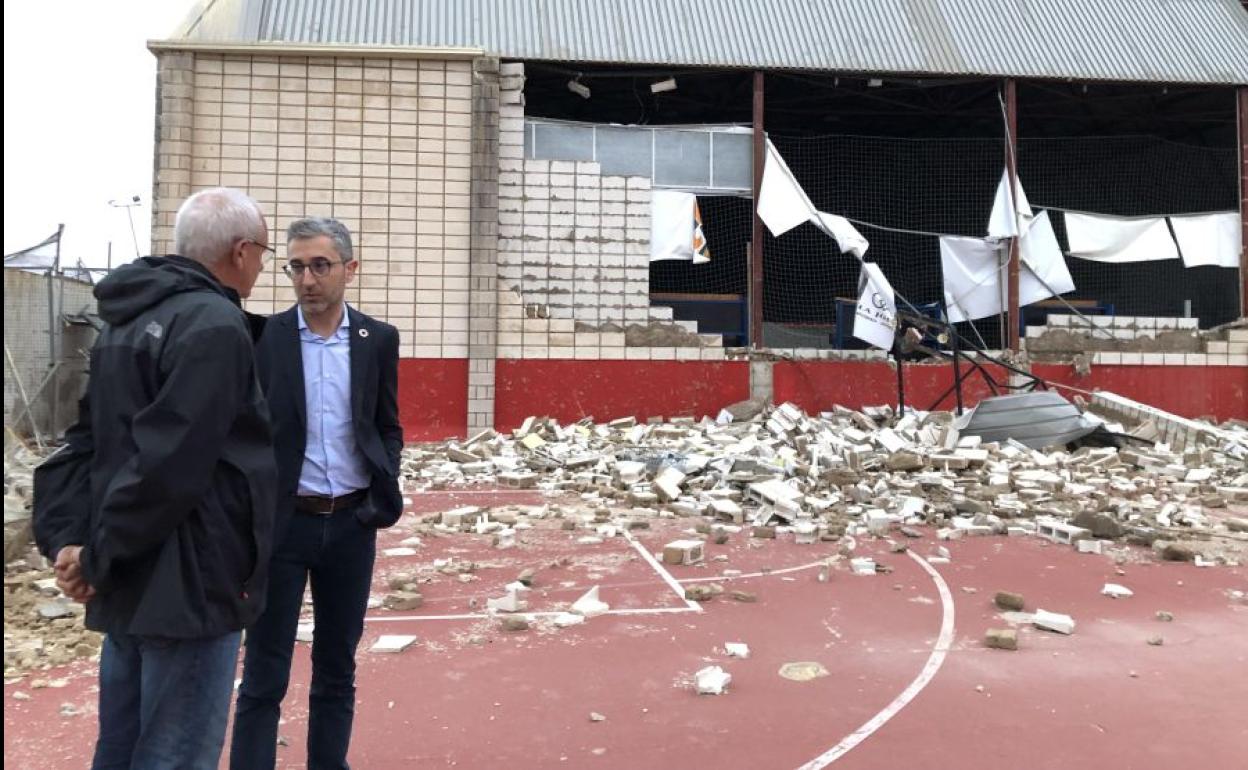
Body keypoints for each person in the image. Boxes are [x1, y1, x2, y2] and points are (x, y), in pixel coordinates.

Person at [35, 187, 279, 769]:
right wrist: (94, 558)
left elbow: (85, 443)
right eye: (264, 252)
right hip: (190, 586)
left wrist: (72, 544)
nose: (262, 266)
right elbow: (169, 466)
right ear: (241, 251)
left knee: (121, 747)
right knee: (175, 753)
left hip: (130, 580)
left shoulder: (127, 319)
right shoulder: (214, 324)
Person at [231, 217, 404, 770]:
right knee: (265, 672)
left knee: (337, 667)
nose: (307, 279)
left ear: (350, 269)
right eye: (297, 267)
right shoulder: (265, 339)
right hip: (284, 527)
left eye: (320, 265)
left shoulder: (377, 340)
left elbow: (387, 424)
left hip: (352, 525)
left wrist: (383, 484)